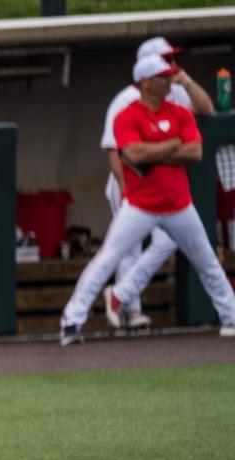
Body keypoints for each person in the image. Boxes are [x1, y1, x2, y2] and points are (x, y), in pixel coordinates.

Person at [58, 55, 235, 345]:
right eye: (163, 76)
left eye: (169, 75)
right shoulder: (126, 115)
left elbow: (195, 152)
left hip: (179, 204)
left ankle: (231, 317)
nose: (169, 80)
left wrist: (156, 149)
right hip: (140, 205)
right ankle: (72, 322)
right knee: (106, 259)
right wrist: (171, 146)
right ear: (145, 82)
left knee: (207, 262)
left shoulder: (179, 112)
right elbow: (133, 154)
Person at [99, 37, 215, 331]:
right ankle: (130, 312)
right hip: (130, 183)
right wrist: (128, 192)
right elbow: (114, 151)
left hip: (165, 188)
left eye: (173, 60)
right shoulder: (126, 99)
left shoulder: (176, 92)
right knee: (129, 246)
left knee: (168, 240)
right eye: (167, 60)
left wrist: (186, 81)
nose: (173, 66)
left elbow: (207, 109)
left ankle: (122, 295)